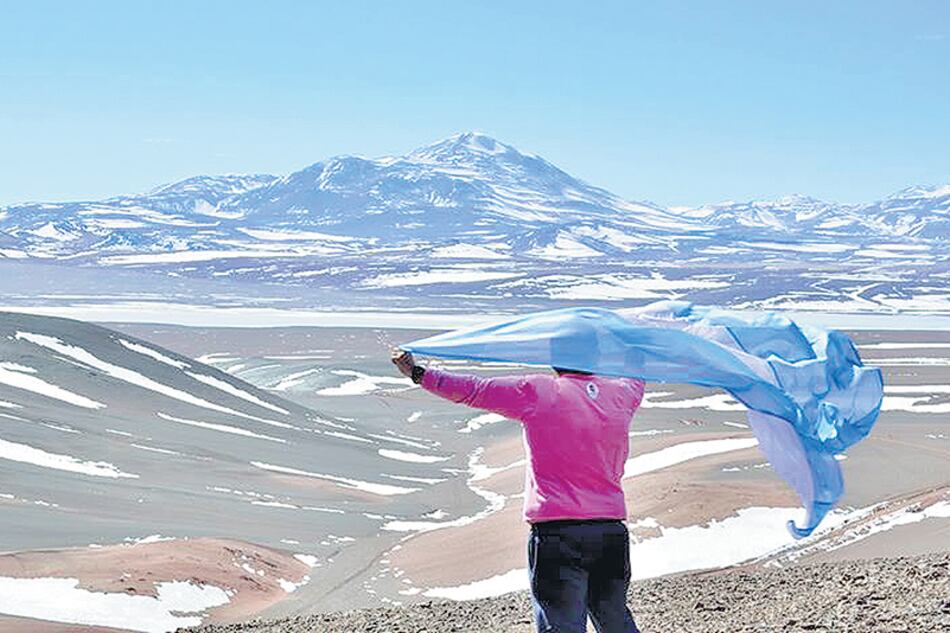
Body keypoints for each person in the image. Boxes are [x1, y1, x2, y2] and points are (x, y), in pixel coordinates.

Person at [391, 340, 645, 633]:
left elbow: (474, 390)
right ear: (595, 359)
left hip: (558, 534)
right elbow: (636, 378)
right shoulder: (620, 395)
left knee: (561, 626)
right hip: (610, 532)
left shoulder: (539, 391)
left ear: (554, 359)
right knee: (616, 621)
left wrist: (418, 373)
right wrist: (638, 347)